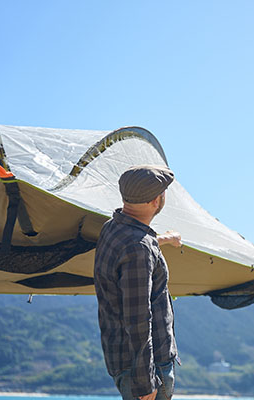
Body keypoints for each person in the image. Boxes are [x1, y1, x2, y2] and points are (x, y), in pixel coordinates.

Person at [94, 165, 182, 400]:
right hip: (146, 370)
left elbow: (133, 247)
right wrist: (146, 382)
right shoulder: (138, 249)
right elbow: (138, 319)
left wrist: (162, 239)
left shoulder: (113, 227)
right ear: (156, 200)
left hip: (124, 360)